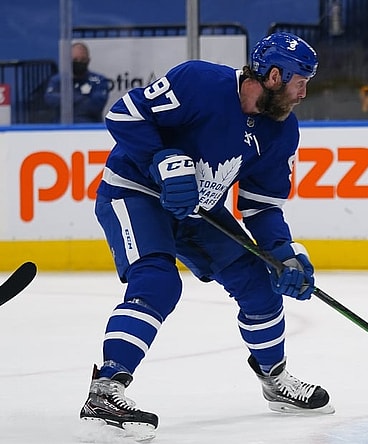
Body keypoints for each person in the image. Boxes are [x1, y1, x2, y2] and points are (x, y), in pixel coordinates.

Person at [78, 32, 333, 441]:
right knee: (158, 282)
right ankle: (105, 390)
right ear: (273, 75)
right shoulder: (200, 83)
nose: (303, 93)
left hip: (200, 212)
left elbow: (261, 205)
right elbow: (123, 115)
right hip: (136, 192)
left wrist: (282, 252)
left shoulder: (281, 131)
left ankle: (275, 379)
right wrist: (159, 157)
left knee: (259, 284)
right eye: (300, 81)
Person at [44, 42, 110, 123]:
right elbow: (50, 100)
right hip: (62, 127)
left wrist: (68, 100)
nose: (79, 62)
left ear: (88, 60)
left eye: (82, 60)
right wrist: (81, 97)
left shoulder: (99, 80)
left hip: (90, 127)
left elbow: (96, 105)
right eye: (75, 60)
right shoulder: (58, 80)